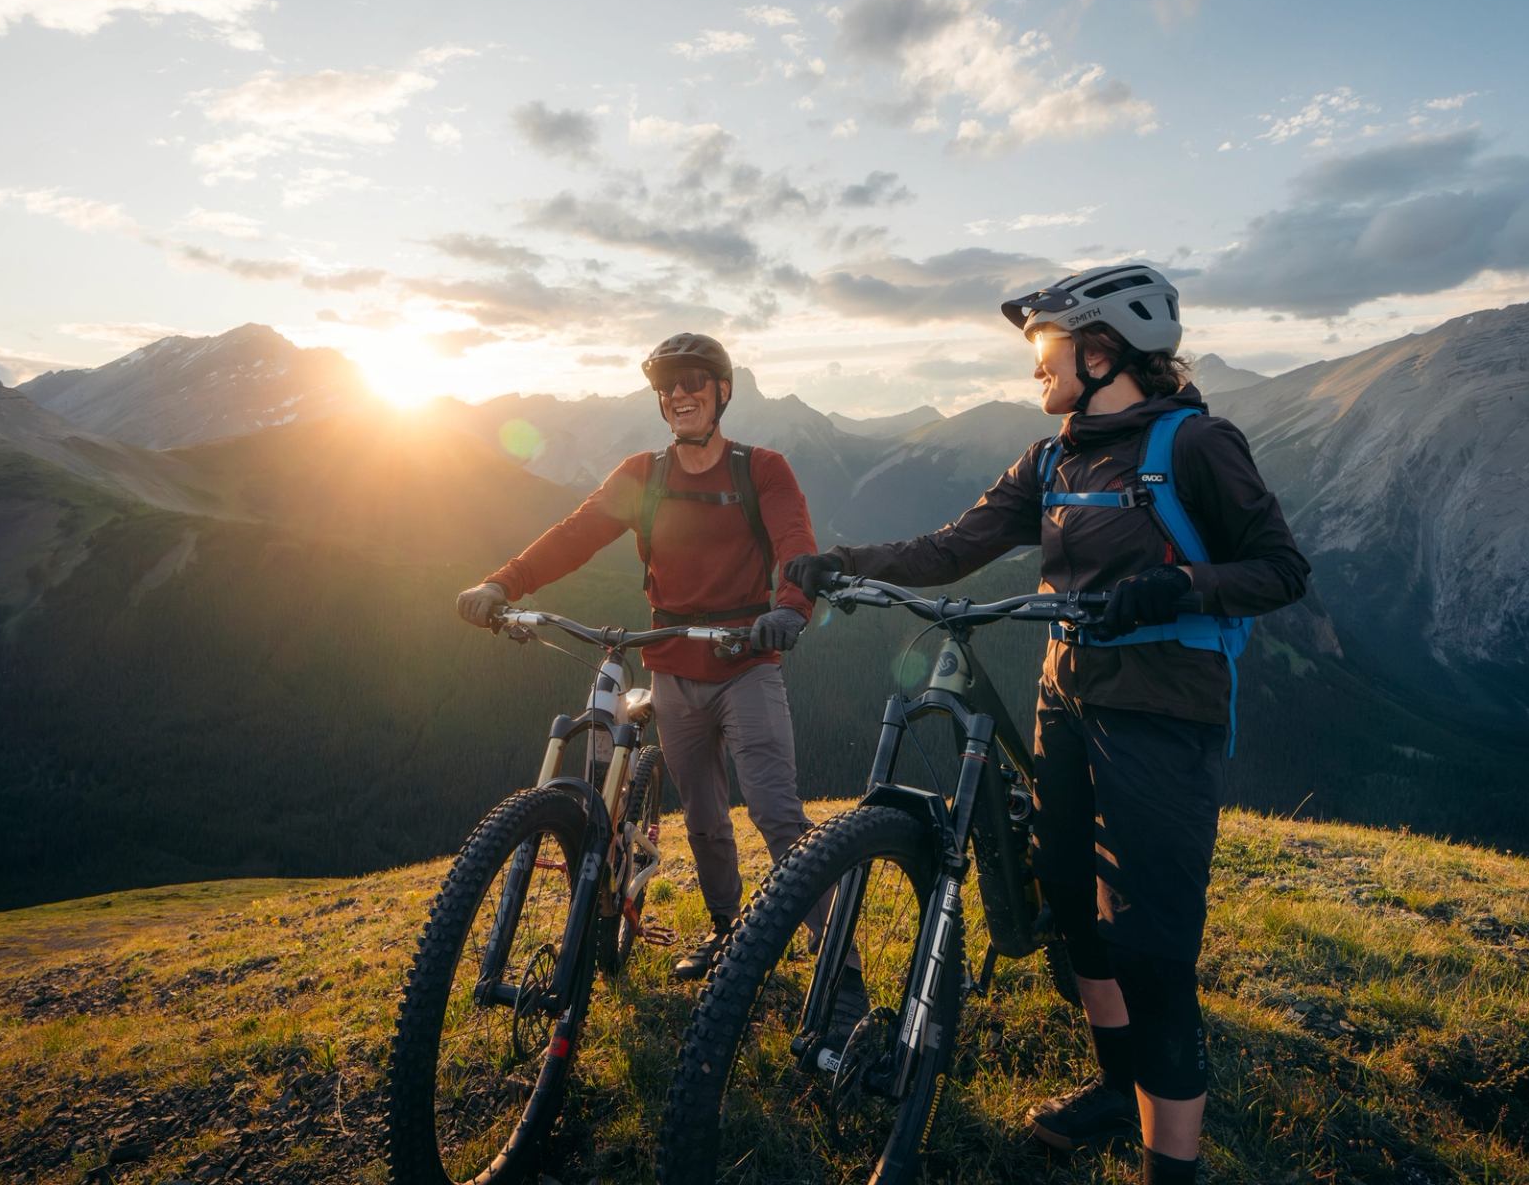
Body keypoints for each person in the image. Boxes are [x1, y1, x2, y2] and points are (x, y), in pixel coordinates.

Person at [783, 265, 1309, 1185]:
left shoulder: (1197, 446)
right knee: (1072, 910)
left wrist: (1179, 584)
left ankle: (1169, 1168)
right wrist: (844, 561)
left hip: (1161, 716)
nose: (1036, 371)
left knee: (1152, 953)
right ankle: (1116, 1090)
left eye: (1045, 350)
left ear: (1101, 353)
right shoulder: (1053, 456)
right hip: (1066, 701)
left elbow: (1280, 568)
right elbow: (956, 544)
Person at [457, 333, 832, 984]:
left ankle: (840, 969)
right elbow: (576, 533)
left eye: (693, 382)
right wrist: (503, 583)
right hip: (670, 669)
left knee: (778, 815)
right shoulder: (643, 476)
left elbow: (795, 541)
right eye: (669, 387)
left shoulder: (761, 468)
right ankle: (726, 935)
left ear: (721, 392)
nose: (680, 395)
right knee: (707, 825)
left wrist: (790, 609)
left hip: (746, 662)